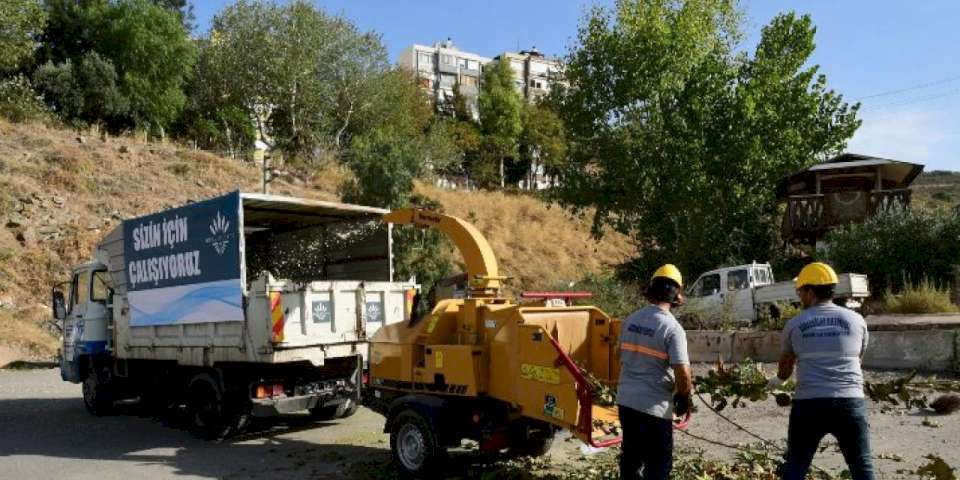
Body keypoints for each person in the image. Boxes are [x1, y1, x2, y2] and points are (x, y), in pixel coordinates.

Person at [768, 262, 874, 480]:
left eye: (800, 291)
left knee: (797, 463)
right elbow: (858, 360)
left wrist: (777, 381)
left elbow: (786, 366)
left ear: (810, 291)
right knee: (862, 466)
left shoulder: (796, 323)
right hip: (850, 404)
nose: (799, 296)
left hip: (809, 405)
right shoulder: (857, 321)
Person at [617, 264, 693, 480]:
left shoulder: (630, 320)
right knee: (658, 465)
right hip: (654, 408)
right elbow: (683, 373)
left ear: (651, 289)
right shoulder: (672, 329)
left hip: (627, 402)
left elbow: (619, 357)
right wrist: (683, 396)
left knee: (631, 459)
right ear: (677, 295)